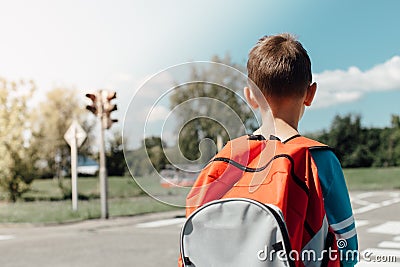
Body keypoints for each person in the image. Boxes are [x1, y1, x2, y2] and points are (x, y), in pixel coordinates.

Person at [179, 34, 358, 267]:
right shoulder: (318, 159)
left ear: (250, 96)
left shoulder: (224, 160)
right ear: (310, 93)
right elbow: (348, 250)